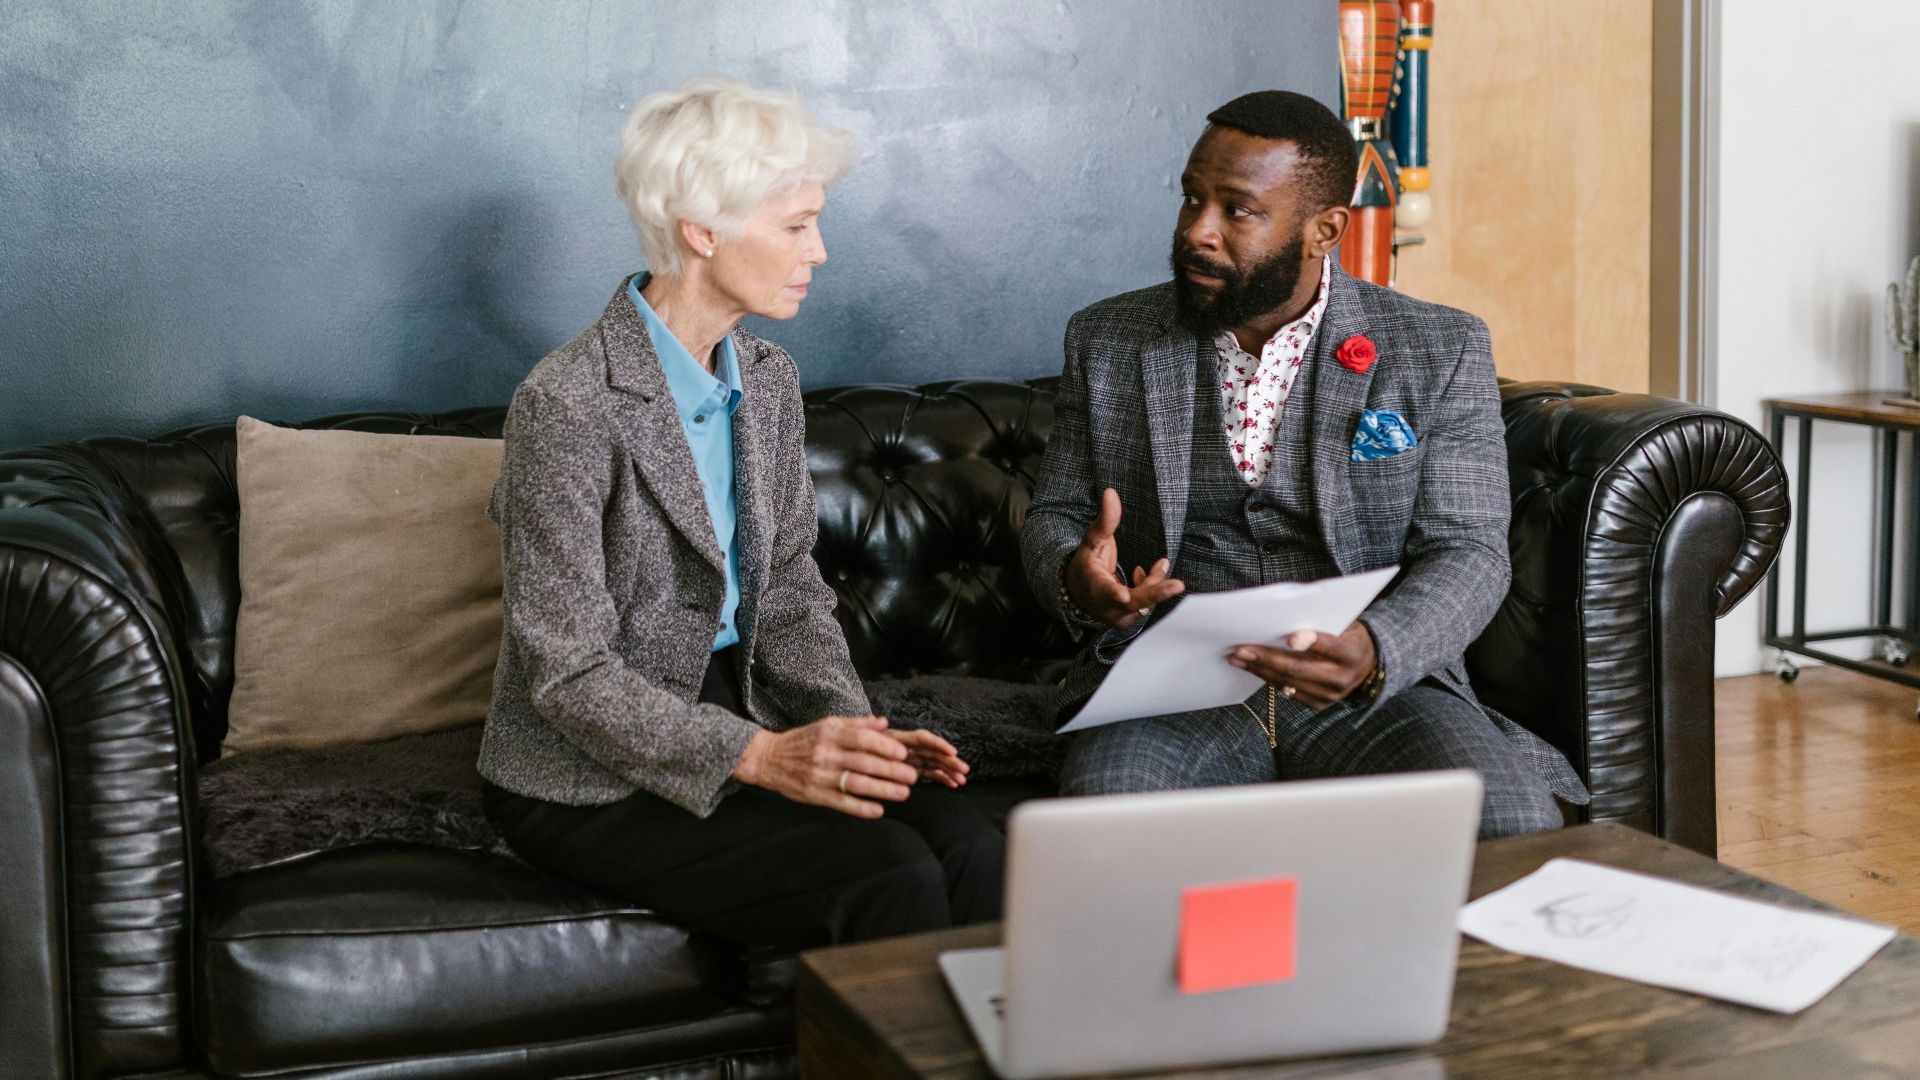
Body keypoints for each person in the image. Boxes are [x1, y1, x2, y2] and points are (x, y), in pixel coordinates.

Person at [479, 76, 1003, 947]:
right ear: (703, 231)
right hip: (588, 768)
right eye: (797, 224)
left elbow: (792, 592)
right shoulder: (565, 405)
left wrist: (849, 736)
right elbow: (567, 673)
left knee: (973, 849)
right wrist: (762, 757)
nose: (821, 250)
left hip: (746, 708)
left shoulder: (767, 377)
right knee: (892, 877)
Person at [1020, 90, 1589, 838]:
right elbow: (1057, 516)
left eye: (1237, 210)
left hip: (1364, 685)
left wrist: (1377, 650)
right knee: (1107, 821)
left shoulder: (1438, 347)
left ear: (1325, 229)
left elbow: (1470, 551)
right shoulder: (1109, 338)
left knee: (1510, 820)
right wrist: (1076, 575)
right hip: (1172, 686)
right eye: (1192, 199)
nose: (1198, 232)